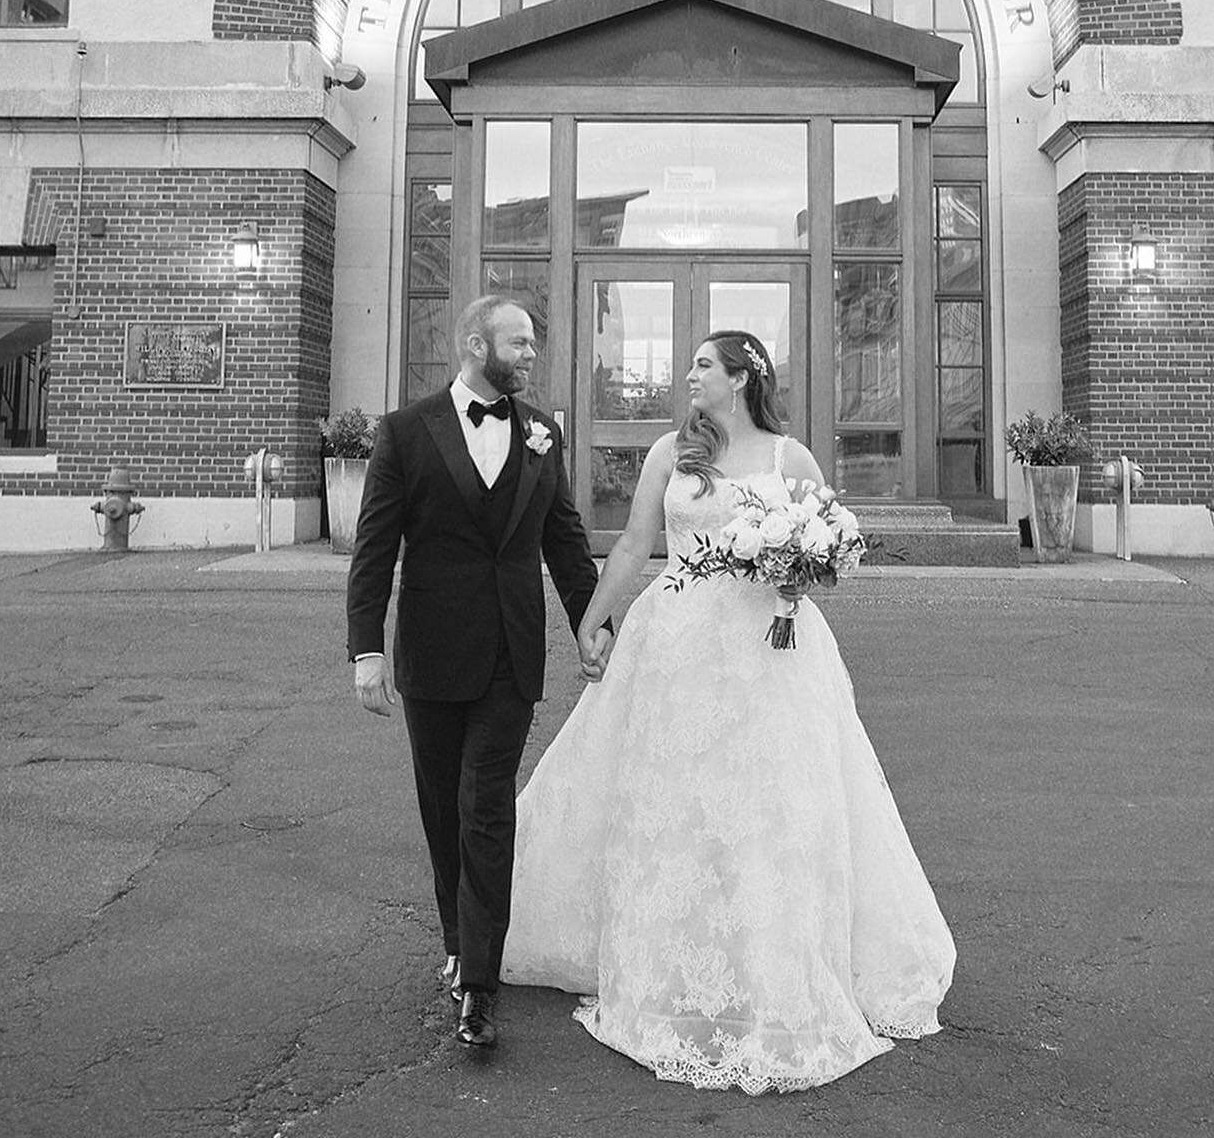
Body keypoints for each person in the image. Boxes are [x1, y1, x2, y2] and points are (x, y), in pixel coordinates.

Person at [501, 329, 956, 1094]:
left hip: (770, 657)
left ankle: (769, 965)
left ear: (742, 379)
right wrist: (593, 618)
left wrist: (801, 572)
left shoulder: (790, 459)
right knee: (674, 806)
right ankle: (673, 964)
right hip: (675, 644)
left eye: (703, 366)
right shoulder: (666, 454)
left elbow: (835, 542)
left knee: (768, 809)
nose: (689, 376)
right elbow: (634, 544)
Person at [345, 294, 602, 1052]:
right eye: (517, 342)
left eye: (532, 343)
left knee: (486, 804)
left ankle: (479, 987)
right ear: (472, 344)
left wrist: (597, 625)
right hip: (431, 653)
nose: (530, 354)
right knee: (442, 809)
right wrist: (367, 650)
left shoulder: (543, 435)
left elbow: (564, 539)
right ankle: (458, 939)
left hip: (510, 657)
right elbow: (374, 547)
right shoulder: (405, 432)